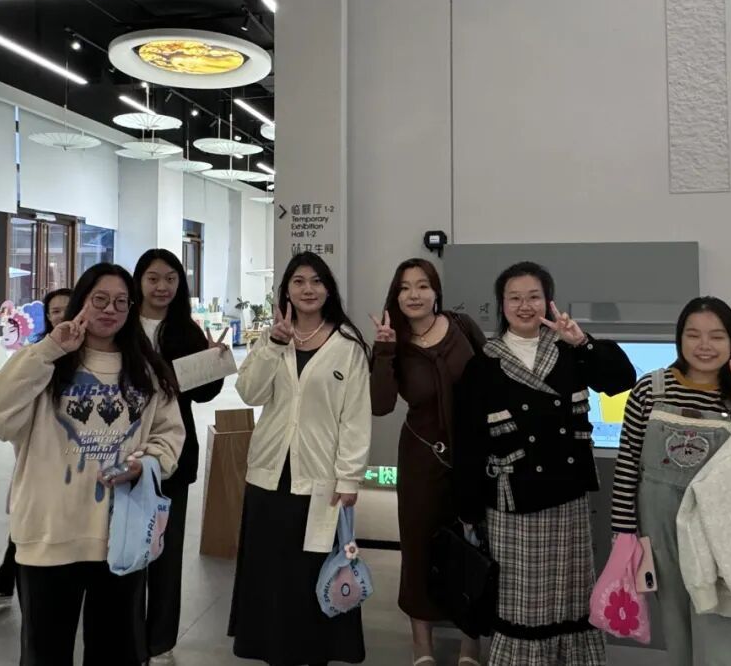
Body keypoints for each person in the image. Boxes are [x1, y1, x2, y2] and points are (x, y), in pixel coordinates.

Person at [0, 264, 184, 666]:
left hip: (120, 537)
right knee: (45, 653)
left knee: (116, 653)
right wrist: (51, 348)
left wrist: (147, 463)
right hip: (49, 534)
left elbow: (169, 433)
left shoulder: (147, 369)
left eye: (121, 302)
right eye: (99, 299)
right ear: (81, 302)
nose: (110, 310)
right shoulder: (47, 363)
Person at [453, 261, 635, 666]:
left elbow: (622, 379)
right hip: (513, 498)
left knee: (570, 594)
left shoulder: (570, 351)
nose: (525, 306)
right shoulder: (483, 364)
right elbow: (468, 442)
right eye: (514, 298)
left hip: (567, 492)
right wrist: (468, 508)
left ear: (549, 301)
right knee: (521, 599)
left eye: (533, 297)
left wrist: (582, 342)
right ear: (501, 305)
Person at [229, 252, 372, 666]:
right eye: (298, 281)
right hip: (269, 476)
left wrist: (350, 477)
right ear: (286, 291)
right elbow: (250, 393)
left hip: (320, 479)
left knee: (311, 571)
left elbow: (355, 418)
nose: (308, 289)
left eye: (316, 281)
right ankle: (275, 652)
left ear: (328, 289)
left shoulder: (347, 345)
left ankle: (315, 654)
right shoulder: (272, 338)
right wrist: (274, 345)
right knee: (271, 572)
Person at [610, 296, 731, 666]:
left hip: (723, 533)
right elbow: (628, 464)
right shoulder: (650, 390)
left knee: (723, 627)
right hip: (661, 530)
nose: (704, 345)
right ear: (680, 339)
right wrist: (623, 533)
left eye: (717, 336)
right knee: (676, 622)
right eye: (693, 335)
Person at [370, 259, 486, 666]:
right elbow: (380, 404)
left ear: (436, 292)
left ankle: (471, 640)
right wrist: (384, 351)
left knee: (474, 544)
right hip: (421, 457)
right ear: (396, 296)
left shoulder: (462, 327)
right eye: (404, 288)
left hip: (472, 454)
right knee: (418, 546)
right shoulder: (393, 340)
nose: (414, 295)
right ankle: (422, 643)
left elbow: (491, 375)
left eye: (422, 285)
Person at [134, 249, 230, 665]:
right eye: (154, 278)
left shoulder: (186, 329)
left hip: (174, 452)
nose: (162, 287)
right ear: (139, 281)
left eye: (171, 279)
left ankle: (160, 641)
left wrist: (213, 363)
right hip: (122, 451)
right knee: (124, 549)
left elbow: (202, 394)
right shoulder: (122, 325)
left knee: (166, 550)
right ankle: (128, 636)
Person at [0, 287, 72, 607]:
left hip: (76, 467)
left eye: (68, 309)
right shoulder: (35, 355)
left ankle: (7, 581)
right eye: (55, 311)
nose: (62, 316)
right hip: (38, 464)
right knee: (29, 524)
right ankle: (7, 582)